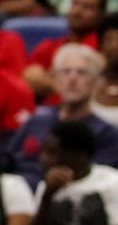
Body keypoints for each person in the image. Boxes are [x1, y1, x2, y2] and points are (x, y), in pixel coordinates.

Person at [8, 44, 118, 188]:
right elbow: (7, 159)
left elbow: (98, 182)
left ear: (96, 82)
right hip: (19, 191)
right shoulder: (35, 121)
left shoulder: (107, 133)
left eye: (82, 73)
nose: (72, 79)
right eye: (66, 72)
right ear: (54, 79)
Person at [26, 121, 118, 225]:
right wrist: (48, 195)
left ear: (79, 156)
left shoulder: (112, 182)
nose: (43, 159)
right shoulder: (47, 186)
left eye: (52, 153)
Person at [27, 0, 105, 98]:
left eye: (87, 7)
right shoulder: (49, 46)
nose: (77, 11)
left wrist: (53, 80)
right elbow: (29, 76)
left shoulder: (104, 48)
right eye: (75, 4)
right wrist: (73, 86)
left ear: (100, 15)